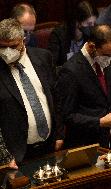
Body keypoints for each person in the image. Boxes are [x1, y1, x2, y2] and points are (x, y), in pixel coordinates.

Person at [55, 24, 111, 149]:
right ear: (92, 47)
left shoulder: (110, 58)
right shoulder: (71, 71)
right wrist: (99, 122)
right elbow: (68, 115)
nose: (109, 59)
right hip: (85, 143)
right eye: (106, 55)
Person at [0, 18, 64, 168]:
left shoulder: (43, 57)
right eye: (2, 47)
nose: (7, 52)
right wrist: (4, 156)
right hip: (15, 155)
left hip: (49, 146)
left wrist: (59, 134)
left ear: (23, 41)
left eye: (13, 46)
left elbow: (56, 98)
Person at [48, 0, 98, 66]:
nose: (92, 26)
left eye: (94, 23)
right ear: (77, 22)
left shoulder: (93, 33)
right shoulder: (58, 35)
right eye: (88, 23)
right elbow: (52, 64)